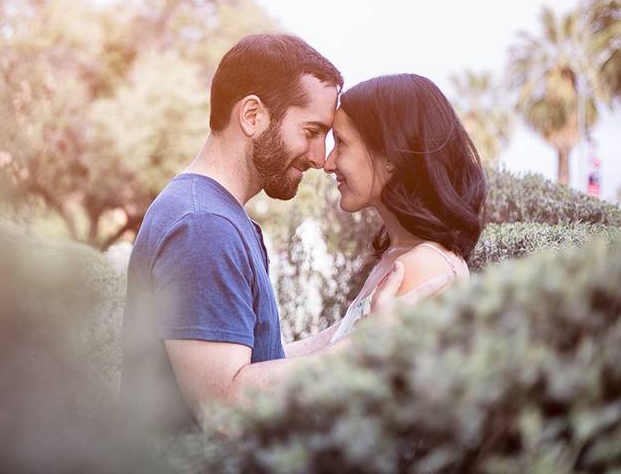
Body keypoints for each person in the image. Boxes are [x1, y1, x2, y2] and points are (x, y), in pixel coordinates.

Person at [120, 35, 452, 432]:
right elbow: (223, 407)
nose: (318, 158)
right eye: (311, 131)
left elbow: (258, 363)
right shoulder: (204, 226)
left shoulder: (214, 215)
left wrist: (351, 330)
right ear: (253, 116)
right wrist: (363, 350)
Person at [318, 73, 486, 345]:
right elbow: (327, 344)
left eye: (341, 142)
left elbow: (345, 376)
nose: (328, 163)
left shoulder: (423, 265)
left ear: (390, 155)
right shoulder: (400, 255)